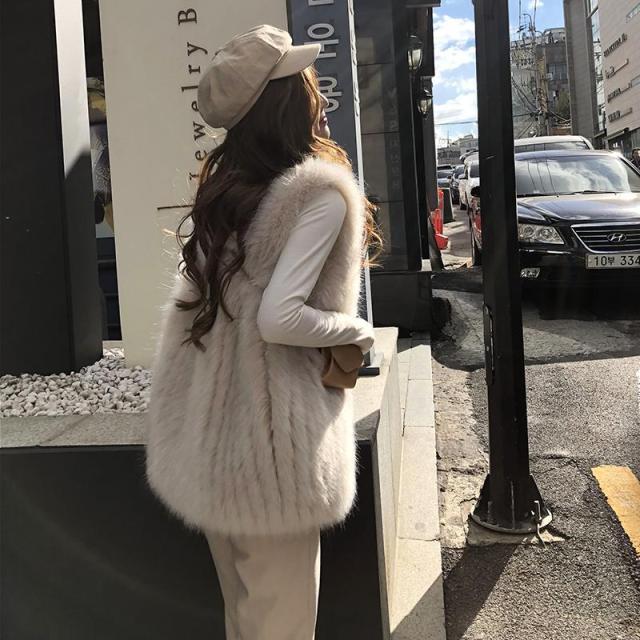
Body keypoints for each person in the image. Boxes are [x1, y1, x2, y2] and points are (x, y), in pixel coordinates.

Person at [146, 25, 381, 640]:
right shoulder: (317, 196)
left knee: (244, 618)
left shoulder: (227, 195)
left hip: (212, 445)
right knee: (281, 625)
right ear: (282, 103)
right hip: (273, 455)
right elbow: (280, 317)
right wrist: (356, 330)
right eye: (302, 80)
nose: (316, 91)